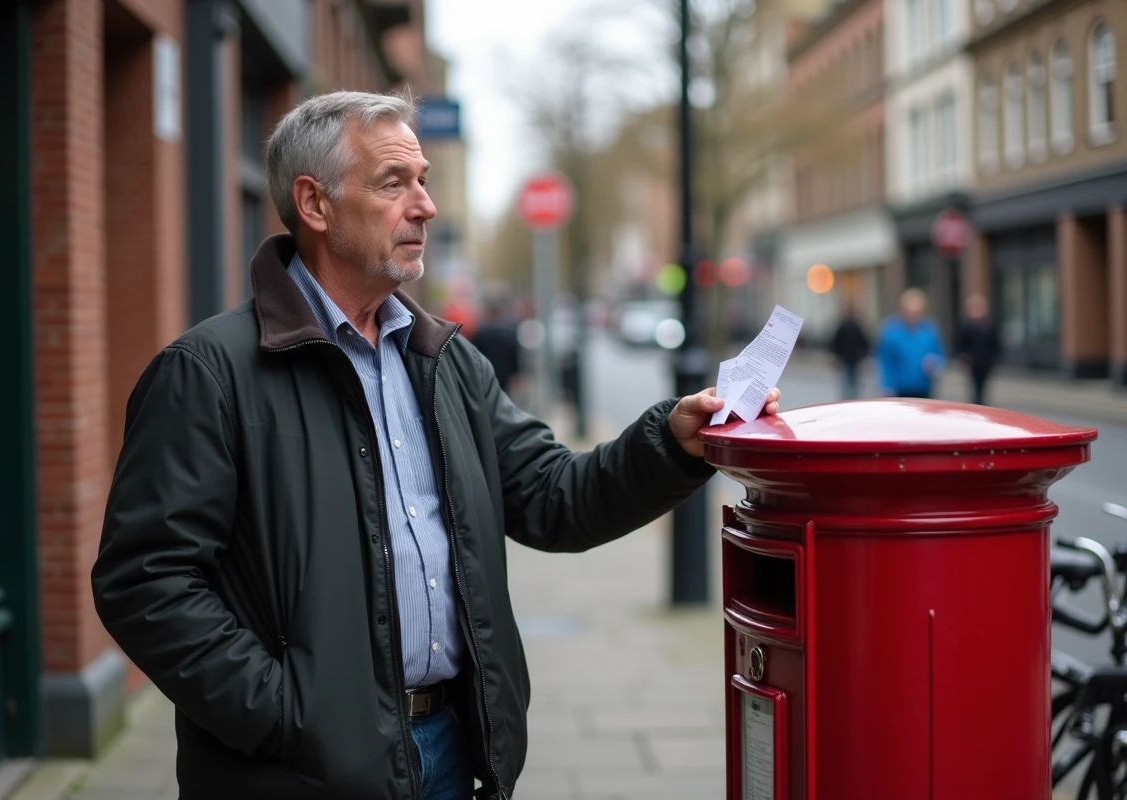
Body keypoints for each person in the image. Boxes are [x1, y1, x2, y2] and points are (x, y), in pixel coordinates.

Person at [90, 90, 780, 800]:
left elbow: (552, 497)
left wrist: (669, 442)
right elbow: (146, 582)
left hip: (451, 752)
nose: (425, 205)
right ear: (315, 204)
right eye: (394, 183)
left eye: (424, 180)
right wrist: (289, 719)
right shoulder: (209, 374)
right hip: (299, 774)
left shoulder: (445, 361)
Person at [877, 288, 946, 399]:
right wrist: (887, 386)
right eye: (910, 312)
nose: (914, 316)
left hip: (924, 387)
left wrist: (934, 363)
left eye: (918, 313)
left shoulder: (929, 330)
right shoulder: (891, 331)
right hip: (900, 389)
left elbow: (939, 354)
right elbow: (886, 361)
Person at [469, 295, 522, 397]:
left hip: (486, 373)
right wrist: (516, 373)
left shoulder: (481, 332)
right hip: (504, 374)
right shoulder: (508, 332)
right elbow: (514, 353)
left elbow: (474, 354)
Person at [954, 293, 1000, 406]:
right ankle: (977, 404)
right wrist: (963, 358)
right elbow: (960, 343)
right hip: (972, 362)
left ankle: (981, 404)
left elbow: (995, 343)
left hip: (986, 362)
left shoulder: (989, 324)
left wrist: (995, 358)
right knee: (974, 386)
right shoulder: (966, 325)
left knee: (983, 386)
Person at [828, 303, 869, 400]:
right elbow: (864, 342)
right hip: (850, 358)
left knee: (849, 382)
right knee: (851, 382)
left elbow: (835, 343)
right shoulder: (854, 326)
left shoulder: (845, 326)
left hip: (849, 358)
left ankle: (848, 399)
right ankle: (851, 399)